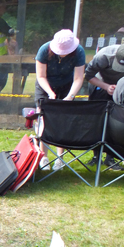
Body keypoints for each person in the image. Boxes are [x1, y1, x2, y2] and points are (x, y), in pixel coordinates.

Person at [34, 29, 87, 171]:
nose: (62, 53)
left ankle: (59, 159)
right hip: (45, 86)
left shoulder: (79, 52)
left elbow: (78, 78)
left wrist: (69, 96)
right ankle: (43, 157)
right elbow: (41, 76)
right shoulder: (44, 50)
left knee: (62, 120)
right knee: (44, 119)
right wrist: (50, 93)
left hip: (67, 86)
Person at [85, 43, 124, 169]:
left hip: (123, 89)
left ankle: (112, 158)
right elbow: (88, 76)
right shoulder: (103, 56)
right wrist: (106, 87)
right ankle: (96, 156)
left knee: (117, 122)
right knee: (98, 121)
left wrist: (121, 89)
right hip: (101, 83)